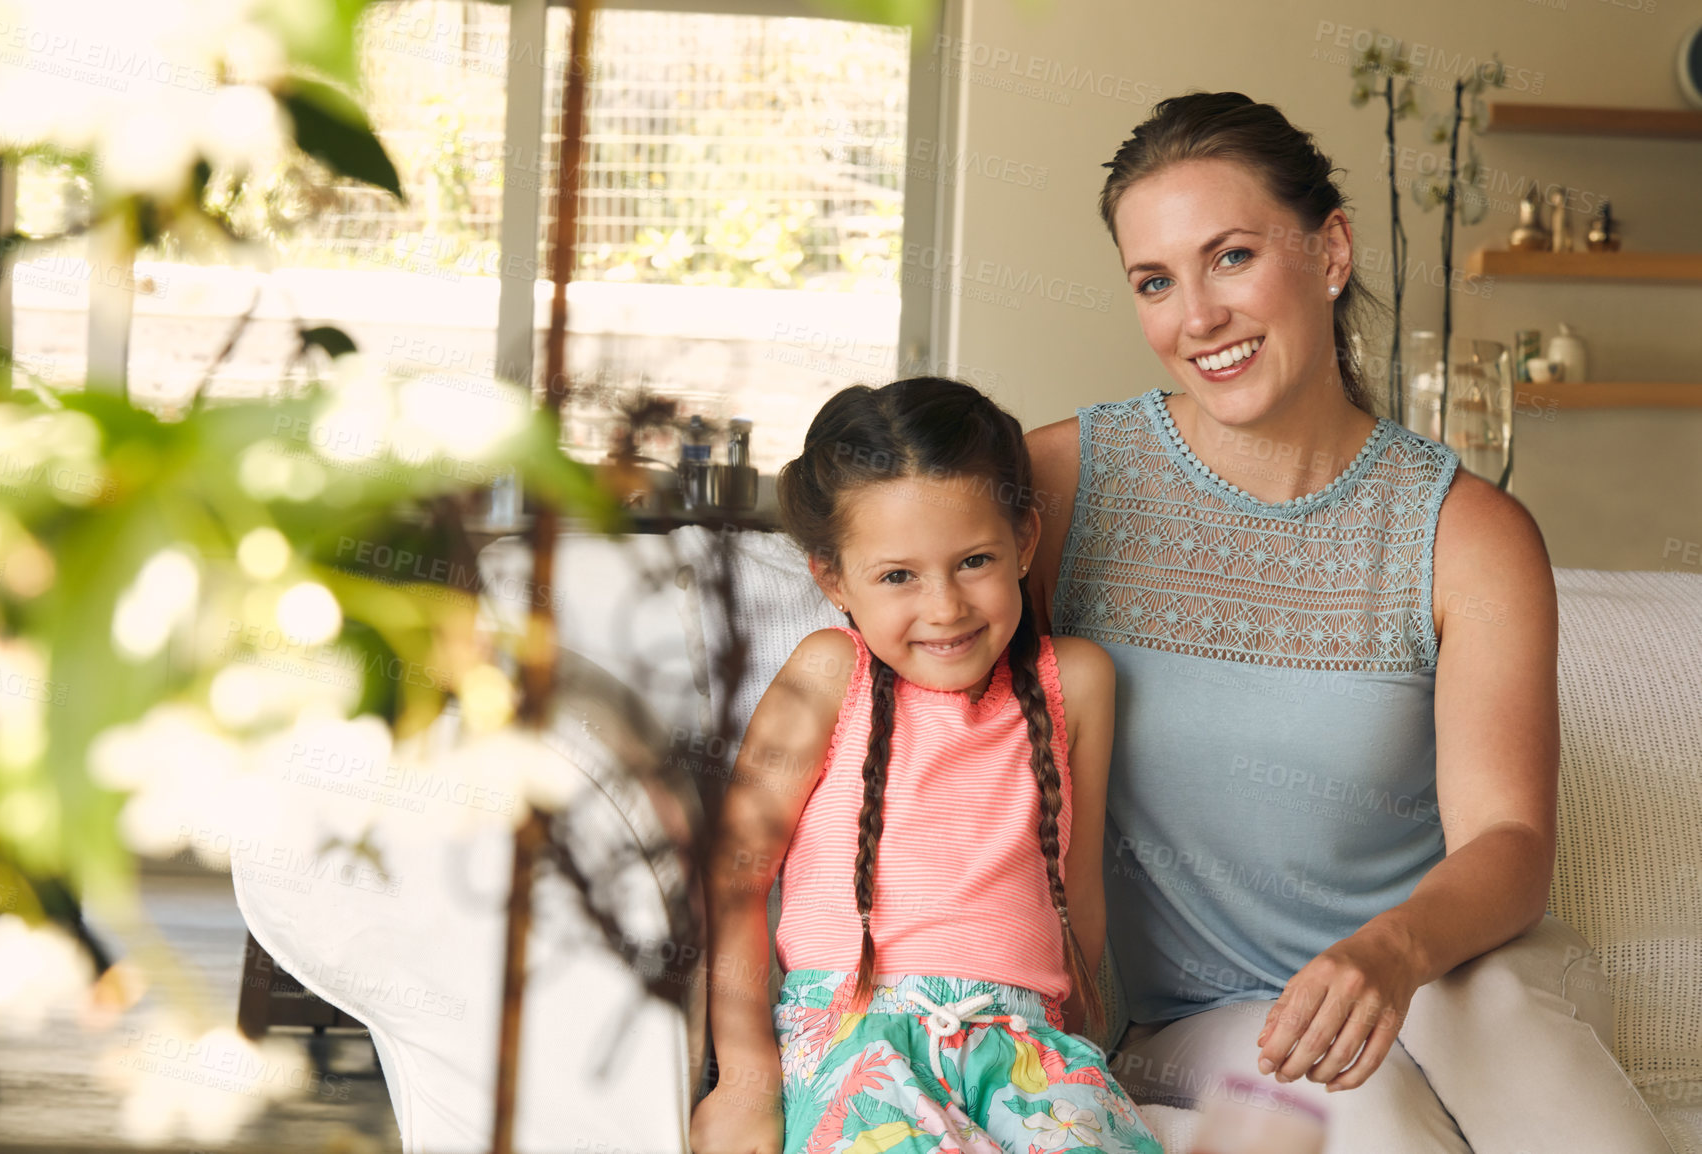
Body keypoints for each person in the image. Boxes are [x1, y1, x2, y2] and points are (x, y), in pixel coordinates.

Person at [1022, 91, 1675, 1151]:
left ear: (1329, 251)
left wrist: (1392, 951)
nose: (1196, 315)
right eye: (1155, 280)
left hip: (1444, 964)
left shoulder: (1466, 532)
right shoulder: (1057, 491)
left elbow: (1507, 838)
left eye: (1230, 256)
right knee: (1349, 1101)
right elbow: (891, 606)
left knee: (1499, 1017)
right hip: (1196, 1014)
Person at [689, 378, 1165, 1154]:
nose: (945, 607)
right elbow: (733, 875)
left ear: (1026, 543)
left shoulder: (1076, 681)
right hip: (854, 1041)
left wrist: (1083, 1053)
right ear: (833, 578)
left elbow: (1076, 894)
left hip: (1026, 1048)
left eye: (974, 560)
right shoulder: (826, 673)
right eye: (898, 576)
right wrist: (745, 1078)